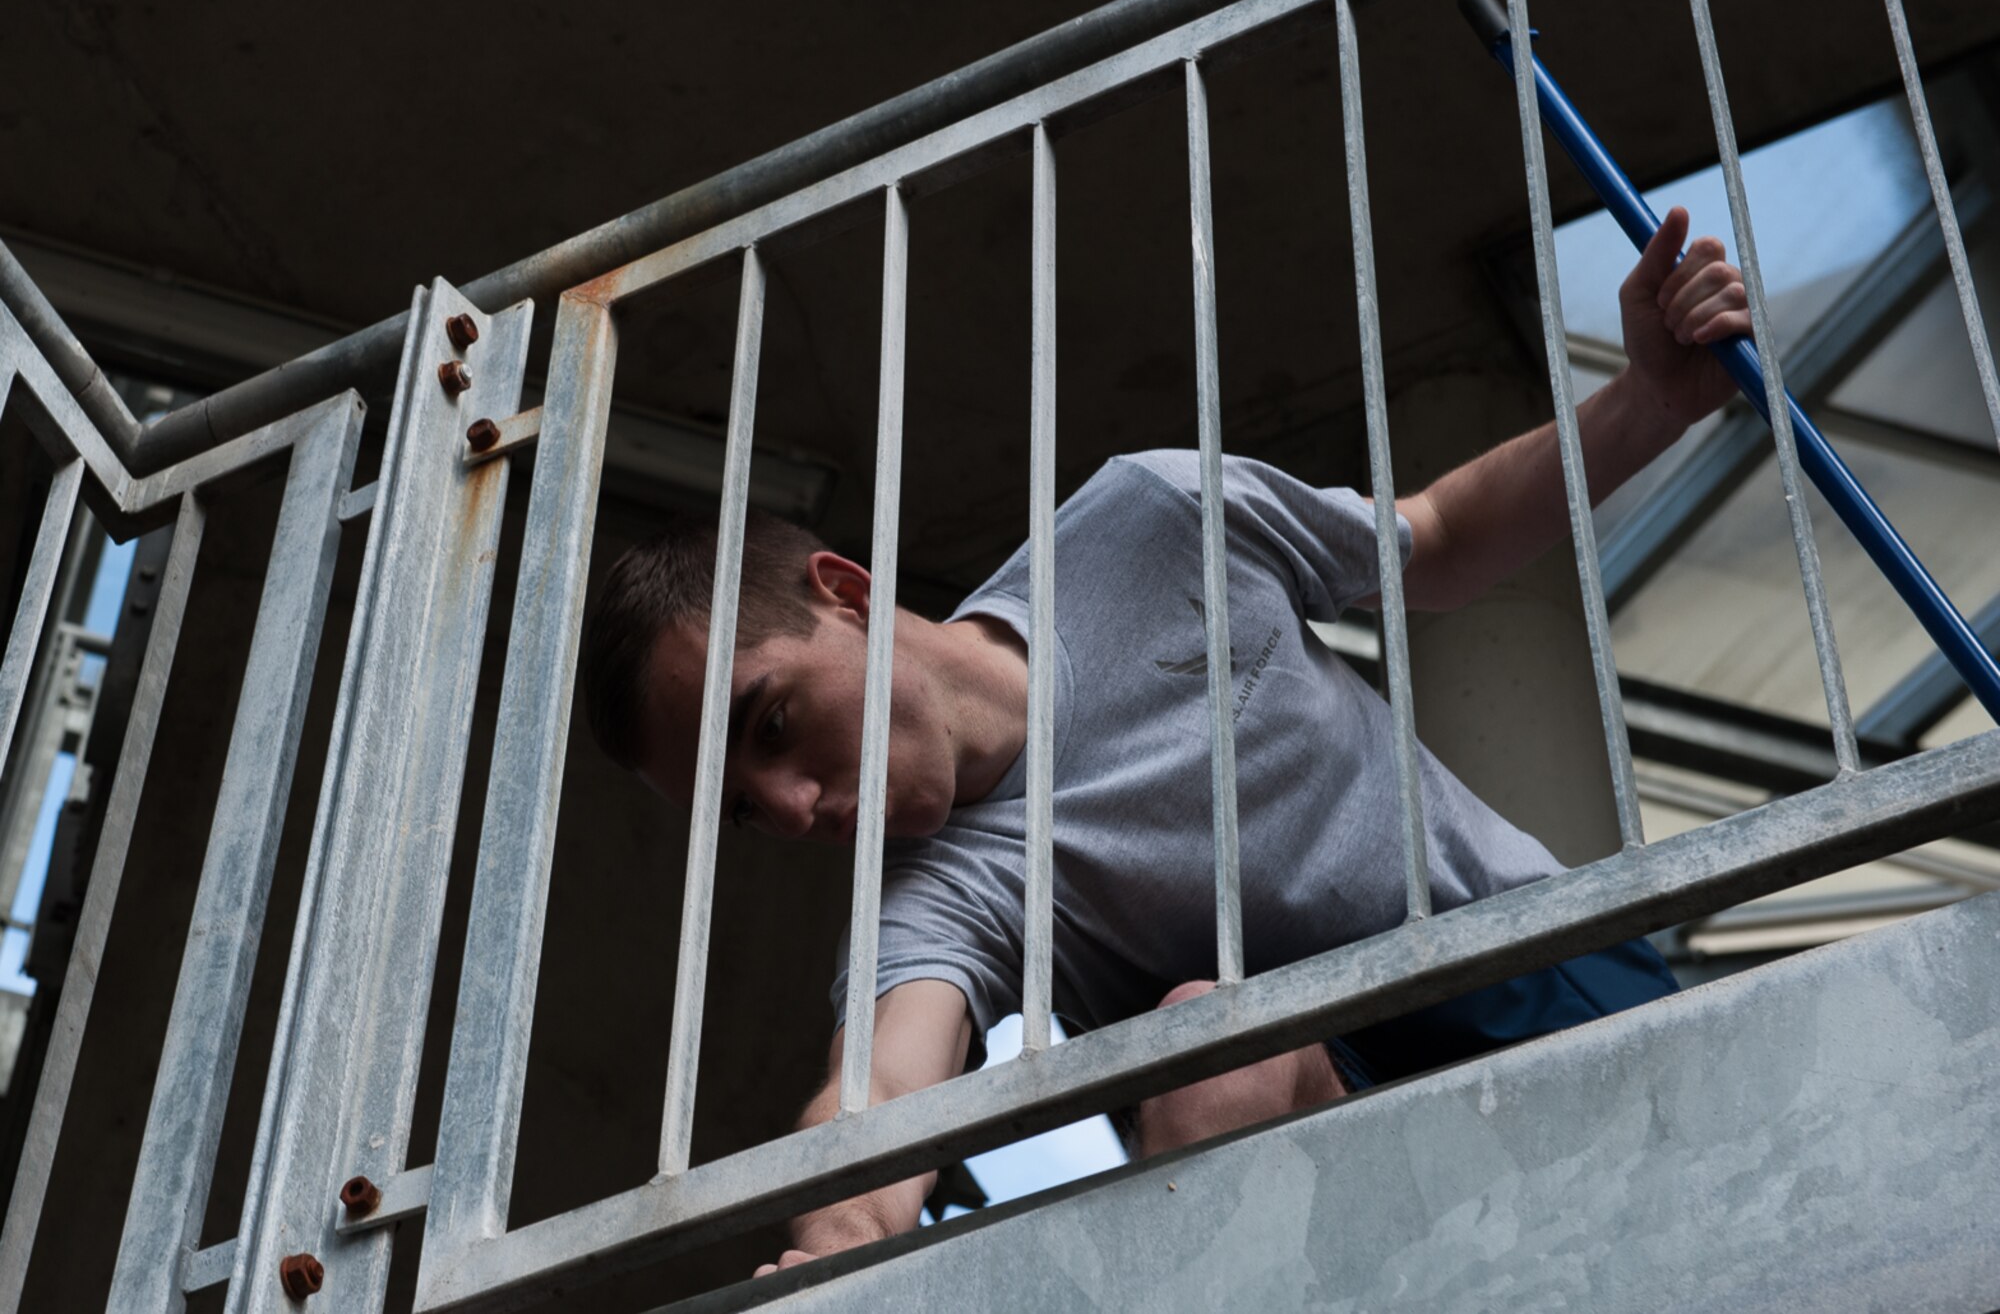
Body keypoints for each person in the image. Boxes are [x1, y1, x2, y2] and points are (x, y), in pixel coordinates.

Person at [580, 208, 1752, 1275]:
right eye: (742, 808)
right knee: (1206, 1037)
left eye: (770, 722)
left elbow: (1433, 539)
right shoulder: (926, 905)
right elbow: (881, 1087)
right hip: (1339, 1114)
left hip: (1532, 968)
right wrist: (833, 1257)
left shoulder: (1148, 522)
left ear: (840, 590)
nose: (790, 808)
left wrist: (1648, 400)